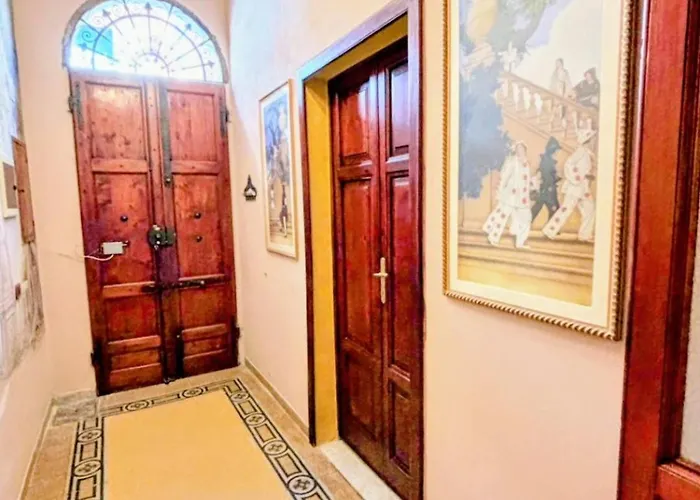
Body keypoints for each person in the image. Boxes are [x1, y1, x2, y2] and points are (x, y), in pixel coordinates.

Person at [542, 129, 596, 242]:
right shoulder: (581, 151)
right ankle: (549, 230)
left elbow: (583, 169)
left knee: (590, 209)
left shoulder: (587, 153)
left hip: (583, 188)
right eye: (591, 139)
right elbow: (569, 164)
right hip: (575, 187)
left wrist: (587, 176)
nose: (593, 141)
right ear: (587, 140)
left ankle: (585, 235)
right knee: (566, 209)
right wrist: (577, 178)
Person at [482, 141, 539, 248]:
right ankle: (493, 237)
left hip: (522, 199)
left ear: (525, 150)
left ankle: (520, 243)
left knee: (526, 219)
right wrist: (500, 192)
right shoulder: (512, 162)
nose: (520, 151)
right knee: (503, 216)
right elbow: (505, 177)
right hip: (511, 196)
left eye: (522, 149)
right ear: (516, 150)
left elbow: (527, 180)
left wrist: (533, 186)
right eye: (518, 149)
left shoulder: (527, 164)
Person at [531, 137, 562, 223]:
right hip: (546, 188)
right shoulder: (543, 159)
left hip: (548, 188)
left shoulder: (551, 161)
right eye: (556, 149)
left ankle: (525, 224)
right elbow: (534, 171)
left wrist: (557, 177)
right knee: (552, 208)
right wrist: (534, 181)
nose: (557, 152)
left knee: (538, 207)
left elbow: (553, 175)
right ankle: (549, 228)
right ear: (552, 149)